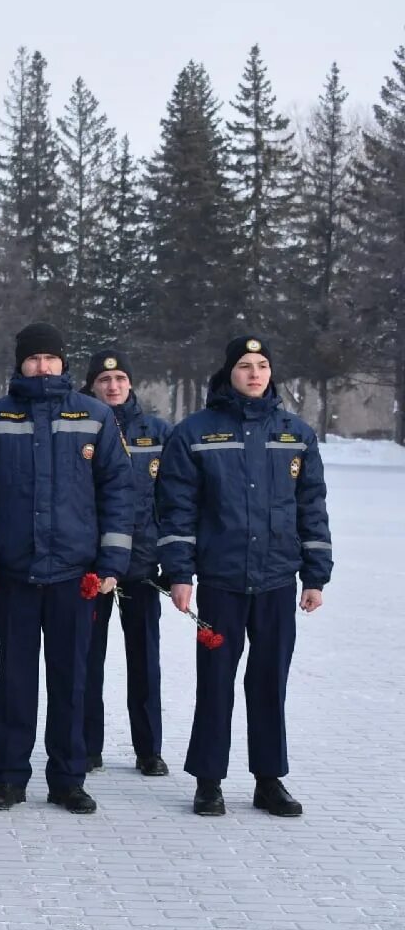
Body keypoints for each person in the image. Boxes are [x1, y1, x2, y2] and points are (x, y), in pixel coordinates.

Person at [0, 322, 135, 814]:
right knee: (14, 680)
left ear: (63, 362)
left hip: (76, 578)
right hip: (14, 574)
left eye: (50, 358)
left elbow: (118, 492)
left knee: (71, 681)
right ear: (20, 364)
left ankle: (68, 779)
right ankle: (10, 778)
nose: (42, 366)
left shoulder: (95, 416)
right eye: (33, 359)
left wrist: (112, 562)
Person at [157, 335, 332, 817]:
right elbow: (177, 510)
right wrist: (179, 573)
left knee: (269, 681)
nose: (254, 374)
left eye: (262, 366)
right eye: (244, 366)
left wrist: (315, 576)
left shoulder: (296, 432)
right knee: (215, 680)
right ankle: (208, 781)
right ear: (228, 373)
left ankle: (268, 779)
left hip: (277, 580)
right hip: (221, 581)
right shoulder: (195, 432)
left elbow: (311, 508)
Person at [82, 348, 172, 777]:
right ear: (92, 385)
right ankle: (87, 745)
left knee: (145, 660)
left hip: (142, 566)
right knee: (87, 659)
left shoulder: (156, 433)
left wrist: (170, 560)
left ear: (130, 383)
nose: (113, 386)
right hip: (92, 566)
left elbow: (171, 500)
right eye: (104, 380)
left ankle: (149, 749)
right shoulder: (81, 426)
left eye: (120, 379)